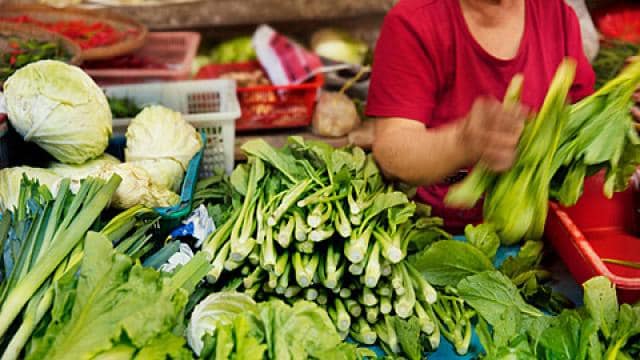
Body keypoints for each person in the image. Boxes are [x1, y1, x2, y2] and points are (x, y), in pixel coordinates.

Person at [367, 0, 640, 233]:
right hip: (442, 232)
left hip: (545, 233)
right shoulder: (414, 21)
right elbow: (392, 150)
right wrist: (462, 143)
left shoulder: (556, 15)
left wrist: (618, 108)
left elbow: (575, 132)